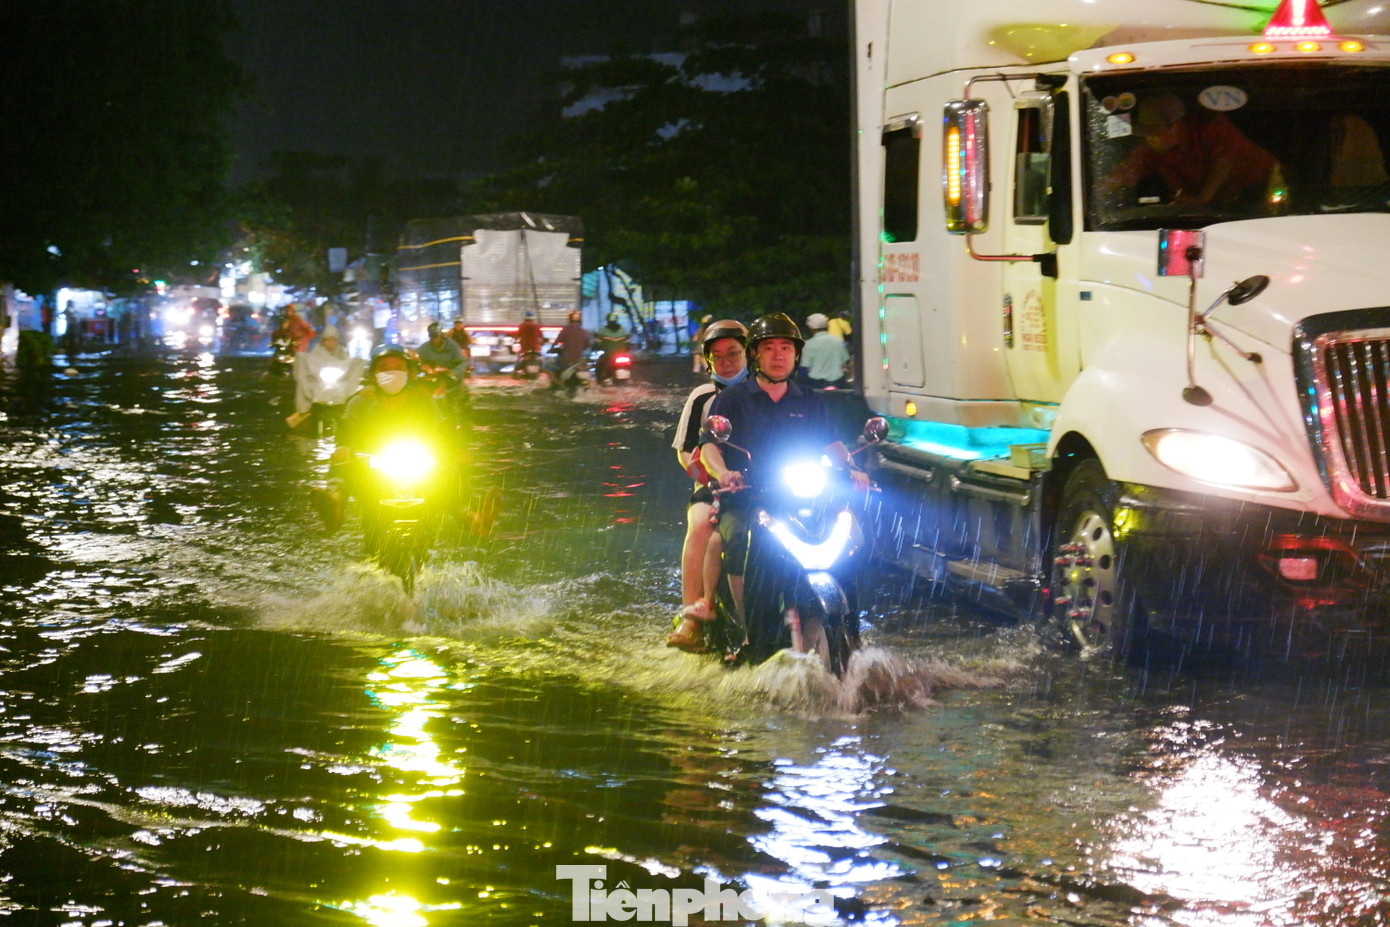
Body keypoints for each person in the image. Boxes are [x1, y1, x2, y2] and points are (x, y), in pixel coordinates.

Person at [700, 313, 870, 625]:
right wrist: (725, 473)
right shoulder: (732, 398)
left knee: (852, 538)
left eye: (786, 348)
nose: (779, 355)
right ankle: (745, 624)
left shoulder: (808, 399)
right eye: (769, 348)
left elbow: (831, 445)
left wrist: (851, 468)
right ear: (755, 355)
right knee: (739, 540)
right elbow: (710, 447)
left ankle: (851, 630)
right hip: (749, 496)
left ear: (796, 355)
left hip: (804, 496)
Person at [313, 345, 497, 536]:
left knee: (450, 473)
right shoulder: (359, 401)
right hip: (370, 468)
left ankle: (469, 514)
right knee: (340, 463)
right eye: (384, 368)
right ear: (373, 373)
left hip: (417, 463)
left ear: (408, 372)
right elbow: (345, 435)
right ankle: (335, 504)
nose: (392, 372)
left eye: (398, 367)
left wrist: (457, 450)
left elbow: (444, 431)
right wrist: (344, 450)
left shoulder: (423, 400)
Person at [666, 320, 749, 651]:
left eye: (734, 354)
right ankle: (693, 616)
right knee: (701, 526)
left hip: (765, 484)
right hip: (713, 485)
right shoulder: (702, 397)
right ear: (708, 361)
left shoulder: (768, 392)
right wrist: (709, 476)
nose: (727, 362)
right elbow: (685, 449)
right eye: (719, 357)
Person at [1102, 92, 1278, 207]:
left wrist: (1203, 197)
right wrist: (1099, 191)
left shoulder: (1210, 125)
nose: (1150, 139)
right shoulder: (1154, 147)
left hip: (1261, 185)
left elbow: (1224, 162)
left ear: (1175, 126)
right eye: (1146, 134)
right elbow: (1125, 172)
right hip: (1217, 202)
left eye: (1155, 133)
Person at [286, 324, 364, 429]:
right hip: (319, 385)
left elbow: (346, 364)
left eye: (333, 340)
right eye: (328, 340)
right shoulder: (316, 352)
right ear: (323, 341)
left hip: (338, 385)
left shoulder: (342, 352)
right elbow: (311, 364)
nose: (331, 343)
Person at [416, 320, 469, 413]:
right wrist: (422, 366)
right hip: (434, 380)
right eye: (433, 338)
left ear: (442, 336)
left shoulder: (453, 347)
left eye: (437, 337)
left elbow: (463, 362)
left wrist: (454, 372)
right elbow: (414, 358)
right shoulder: (425, 348)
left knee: (458, 409)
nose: (435, 340)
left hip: (451, 380)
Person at [799, 312, 849, 389]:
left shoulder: (808, 344)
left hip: (816, 383)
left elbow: (806, 365)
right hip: (837, 381)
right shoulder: (838, 341)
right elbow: (844, 361)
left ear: (810, 328)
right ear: (827, 326)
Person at [547, 310, 591, 380]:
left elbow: (556, 342)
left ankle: (557, 384)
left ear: (569, 319)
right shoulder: (584, 332)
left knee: (547, 366)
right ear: (580, 320)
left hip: (565, 361)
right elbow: (587, 346)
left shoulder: (565, 330)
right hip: (578, 360)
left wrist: (552, 348)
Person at [593, 312, 630, 382]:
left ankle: (599, 382)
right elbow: (628, 346)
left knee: (598, 366)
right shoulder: (623, 330)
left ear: (607, 321)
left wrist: (596, 347)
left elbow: (597, 344)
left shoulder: (602, 331)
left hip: (608, 356)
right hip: (622, 356)